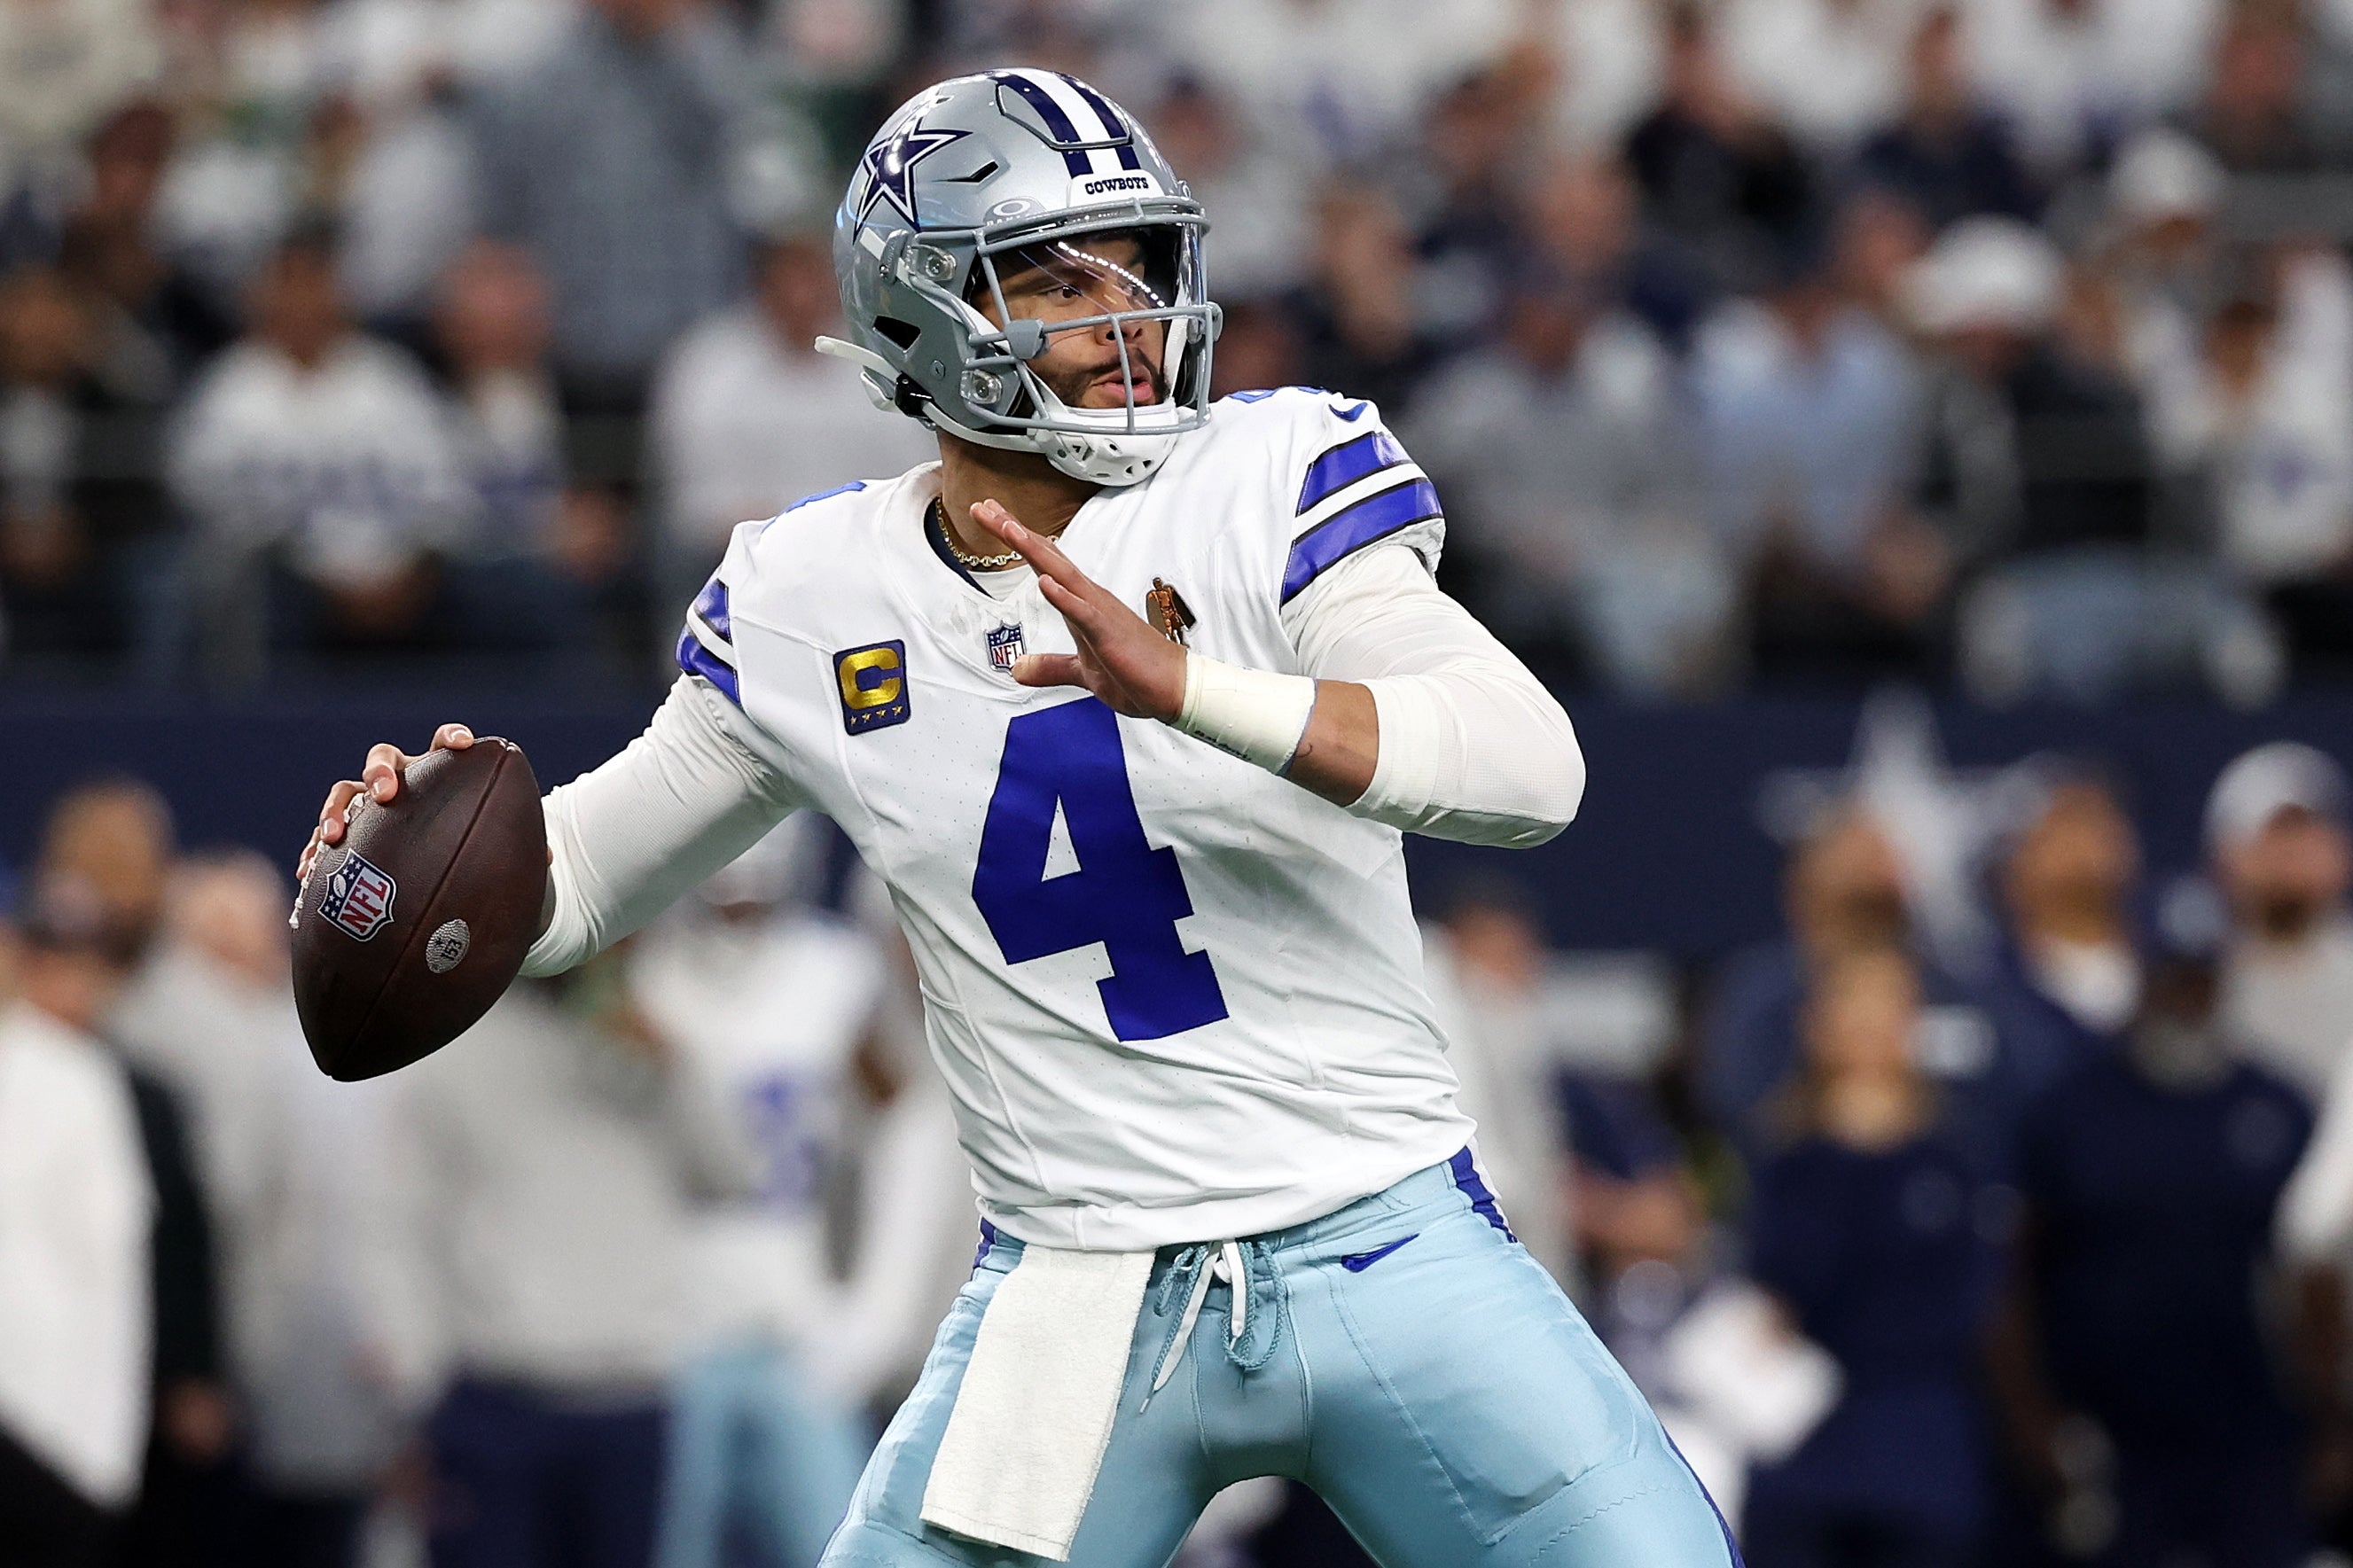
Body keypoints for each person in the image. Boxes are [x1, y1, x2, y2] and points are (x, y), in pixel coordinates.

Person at [306, 69, 1738, 1568]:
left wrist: (1193, 688)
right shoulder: (807, 592)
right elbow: (580, 882)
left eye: (1138, 265)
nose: (1124, 316)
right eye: (1057, 277)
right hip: (1078, 1289)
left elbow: (1530, 767)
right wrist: (406, 867)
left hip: (1384, 1232)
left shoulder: (1267, 472)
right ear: (920, 312)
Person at [360, 964, 752, 1568]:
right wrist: (416, 1398)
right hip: (498, 1402)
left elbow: (736, 1175)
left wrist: (676, 1067)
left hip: (632, 1399)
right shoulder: (451, 1040)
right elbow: (400, 1224)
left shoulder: (659, 1028)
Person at [1992, 913, 2317, 1568]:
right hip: (2110, 1435)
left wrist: (2334, 1428)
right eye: (2170, 980)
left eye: (2197, 981)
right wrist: (2035, 1422)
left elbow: (2321, 1278)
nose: (2183, 998)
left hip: (2254, 1435)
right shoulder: (2072, 1110)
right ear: (2142, 980)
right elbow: (2013, 1274)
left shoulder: (2280, 1106)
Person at [1742, 947, 2001, 1568]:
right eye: (1851, 1007)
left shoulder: (1953, 1163)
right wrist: (1845, 1144)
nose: (1868, 1026)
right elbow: (1784, 1283)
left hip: (1921, 1451)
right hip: (1804, 1450)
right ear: (1816, 1025)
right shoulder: (1787, 1161)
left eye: (1886, 1007)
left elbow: (1969, 1302)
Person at [2208, 741, 2353, 1103]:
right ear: (2225, 855)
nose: (2294, 850)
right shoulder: (2193, 985)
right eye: (2274, 832)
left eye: (2308, 829)